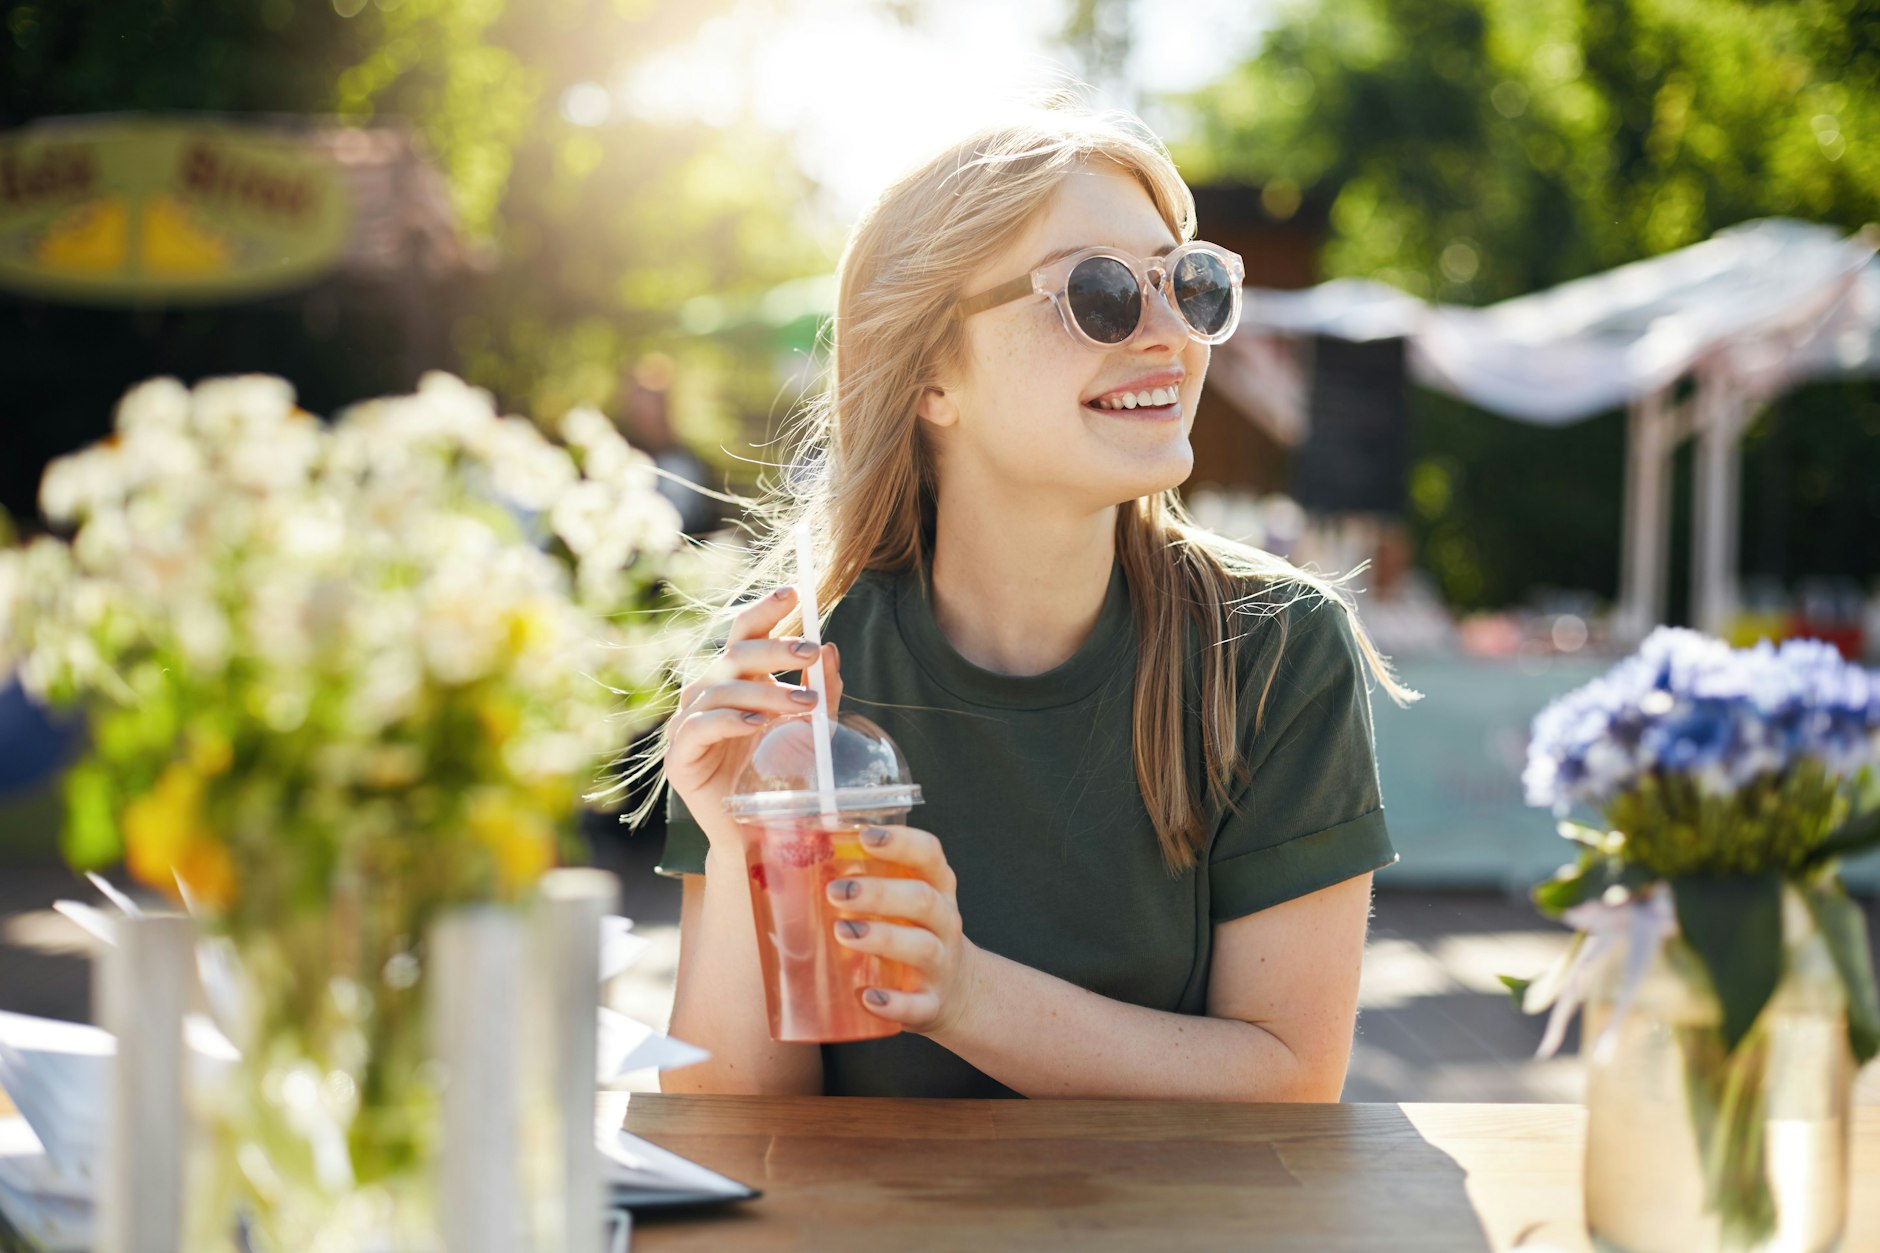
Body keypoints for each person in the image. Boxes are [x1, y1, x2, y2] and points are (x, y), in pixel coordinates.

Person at [641, 98, 1417, 1101]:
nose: (1168, 336)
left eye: (1185, 284)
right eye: (1096, 292)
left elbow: (1287, 1076)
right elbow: (734, 1122)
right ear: (928, 374)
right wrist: (742, 836)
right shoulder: (796, 680)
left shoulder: (1276, 648)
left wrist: (963, 994)